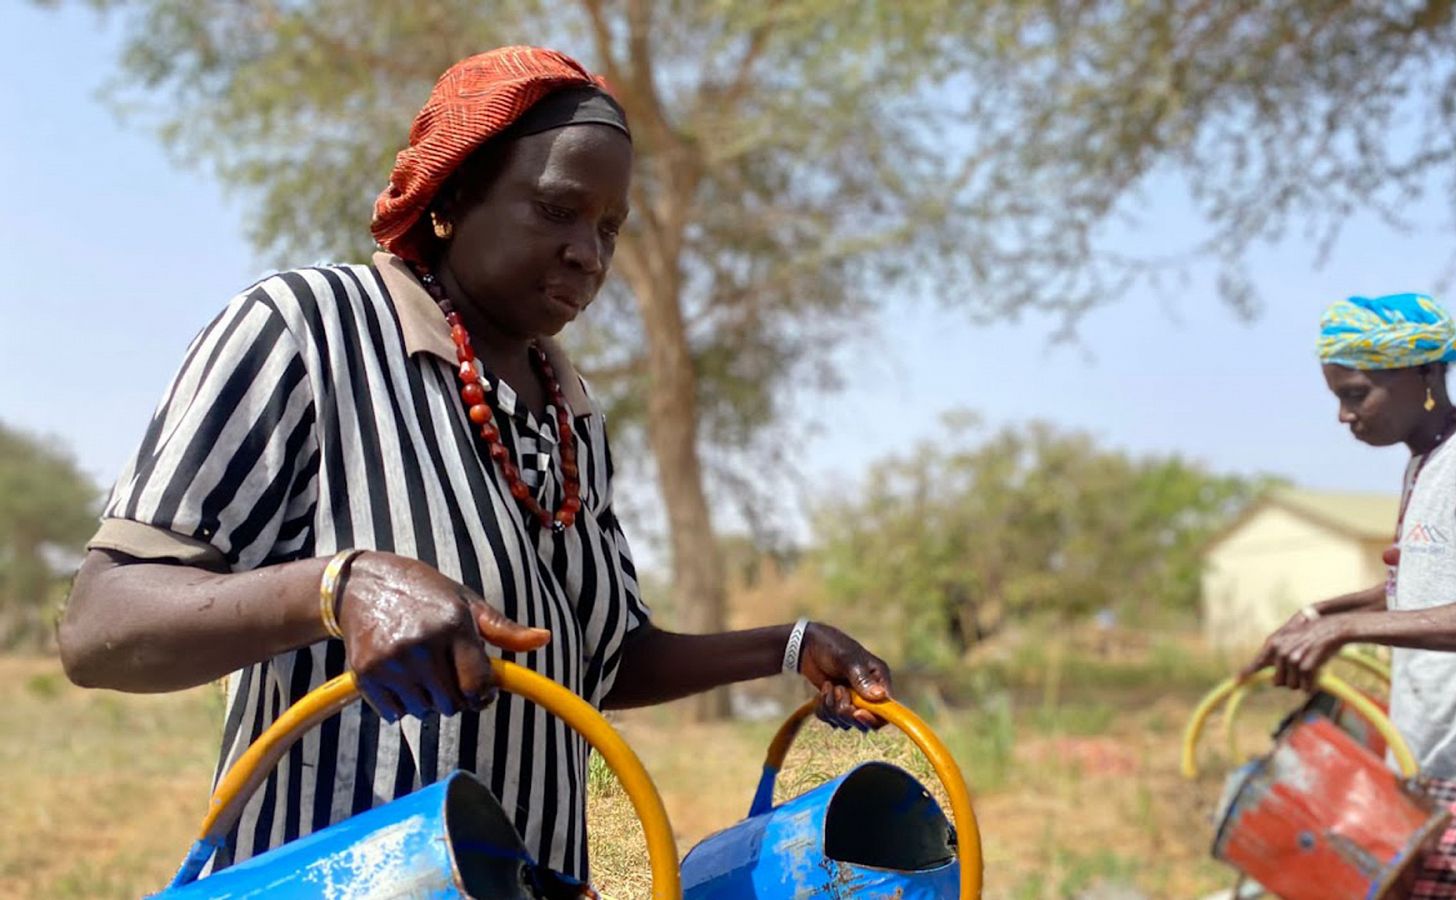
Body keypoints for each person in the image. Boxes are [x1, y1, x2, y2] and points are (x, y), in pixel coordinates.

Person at [56, 46, 893, 885]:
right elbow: (100, 627)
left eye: (608, 227)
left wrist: (788, 645)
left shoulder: (570, 416)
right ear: (452, 199)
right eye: (558, 210)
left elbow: (594, 662)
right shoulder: (311, 332)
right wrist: (342, 588)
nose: (589, 254)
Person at [1245, 293, 1456, 897]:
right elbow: (1428, 588)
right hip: (1440, 757)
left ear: (1425, 375)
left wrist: (1347, 630)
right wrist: (1319, 616)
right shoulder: (1426, 465)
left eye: (1357, 394)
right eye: (1337, 397)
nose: (1344, 415)